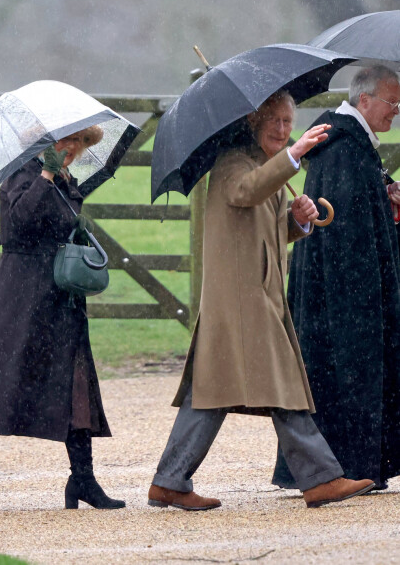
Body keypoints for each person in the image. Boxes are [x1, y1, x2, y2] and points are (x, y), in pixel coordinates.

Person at [148, 90, 375, 511]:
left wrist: (297, 221)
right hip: (241, 300)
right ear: (253, 121)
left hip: (257, 296)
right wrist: (293, 156)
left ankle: (169, 481)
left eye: (289, 123)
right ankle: (321, 479)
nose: (284, 130)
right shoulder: (236, 162)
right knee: (282, 386)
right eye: (275, 122)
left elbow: (267, 232)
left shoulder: (263, 165)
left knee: (212, 392)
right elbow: (244, 193)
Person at [0, 125, 125, 511]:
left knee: (75, 383)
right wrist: (46, 174)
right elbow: (18, 224)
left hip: (59, 296)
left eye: (82, 142)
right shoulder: (20, 174)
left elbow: (57, 224)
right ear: (42, 142)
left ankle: (83, 479)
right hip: (21, 295)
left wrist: (76, 225)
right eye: (67, 139)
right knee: (5, 387)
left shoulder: (67, 180)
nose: (74, 148)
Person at [273, 66, 400, 491]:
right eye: (391, 103)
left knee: (337, 371)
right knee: (347, 370)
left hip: (342, 288)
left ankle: (348, 465)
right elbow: (347, 232)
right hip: (346, 292)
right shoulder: (344, 145)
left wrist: (384, 197)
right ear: (364, 100)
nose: (396, 112)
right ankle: (346, 465)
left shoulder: (350, 142)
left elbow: (354, 207)